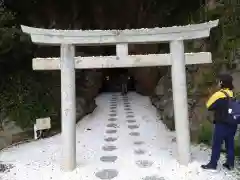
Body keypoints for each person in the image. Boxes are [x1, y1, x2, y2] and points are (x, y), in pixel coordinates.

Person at [201, 73, 237, 171]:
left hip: (221, 124)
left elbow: (209, 106)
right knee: (230, 143)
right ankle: (230, 164)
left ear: (222, 82)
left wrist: (211, 95)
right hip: (232, 124)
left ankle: (213, 164)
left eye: (219, 81)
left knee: (217, 144)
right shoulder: (232, 94)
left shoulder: (218, 94)